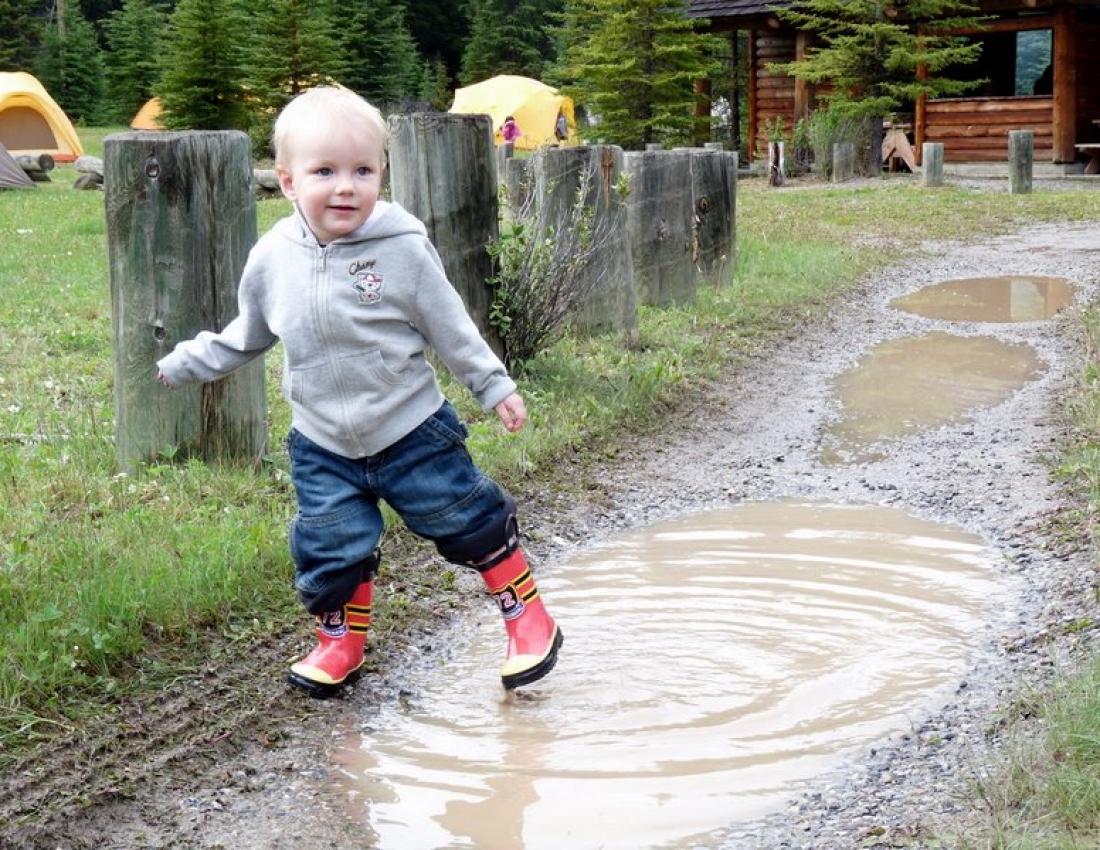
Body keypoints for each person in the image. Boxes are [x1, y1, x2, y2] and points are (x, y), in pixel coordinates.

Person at [155, 87, 562, 697]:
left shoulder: (401, 246)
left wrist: (492, 384)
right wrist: (187, 362)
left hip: (410, 429)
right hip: (322, 442)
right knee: (329, 544)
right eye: (325, 172)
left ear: (381, 174)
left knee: (467, 520)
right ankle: (339, 644)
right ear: (289, 182)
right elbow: (249, 333)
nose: (345, 187)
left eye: (362, 171)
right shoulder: (272, 257)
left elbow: (447, 324)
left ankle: (529, 619)